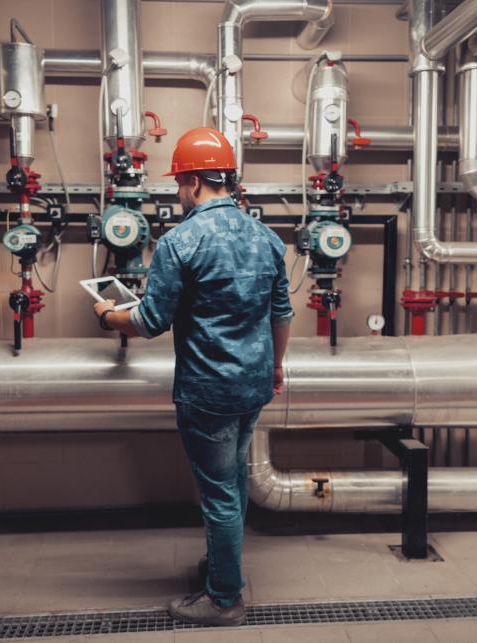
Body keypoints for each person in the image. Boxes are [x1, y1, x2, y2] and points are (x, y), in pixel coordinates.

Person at [92, 127, 293, 626]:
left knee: (220, 493)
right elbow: (282, 313)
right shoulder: (267, 238)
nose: (177, 193)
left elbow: (148, 321)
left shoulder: (179, 242)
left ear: (197, 181)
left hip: (208, 393)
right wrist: (276, 367)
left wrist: (106, 314)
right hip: (252, 387)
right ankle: (223, 565)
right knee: (236, 484)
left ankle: (224, 599)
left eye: (180, 183)